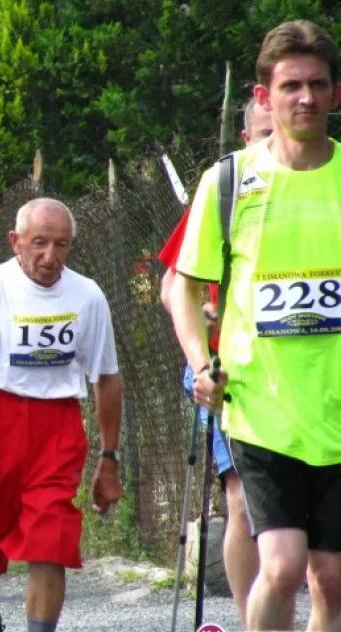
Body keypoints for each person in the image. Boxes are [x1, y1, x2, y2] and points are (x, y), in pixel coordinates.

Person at [171, 20, 341, 632]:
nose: (306, 97)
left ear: (336, 94)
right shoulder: (230, 181)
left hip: (337, 412)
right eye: (291, 85)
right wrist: (198, 364)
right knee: (285, 565)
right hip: (260, 410)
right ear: (264, 96)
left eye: (318, 84)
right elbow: (182, 287)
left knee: (332, 578)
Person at [0, 198, 122, 632]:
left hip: (58, 427)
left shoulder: (87, 296)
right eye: (39, 244)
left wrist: (109, 458)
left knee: (51, 543)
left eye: (61, 245)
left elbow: (107, 378)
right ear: (15, 242)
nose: (50, 257)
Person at [157, 95, 272, 625]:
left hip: (301, 372)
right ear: (246, 138)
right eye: (264, 132)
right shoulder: (229, 191)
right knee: (242, 500)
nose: (278, 140)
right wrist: (205, 338)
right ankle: (253, 617)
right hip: (229, 372)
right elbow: (170, 287)